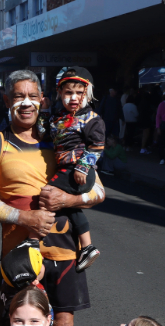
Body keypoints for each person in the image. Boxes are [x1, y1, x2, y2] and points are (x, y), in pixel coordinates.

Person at [0, 69, 105, 326]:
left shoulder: (63, 138)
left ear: (43, 100)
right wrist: (24, 217)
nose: (26, 103)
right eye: (19, 96)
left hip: (64, 251)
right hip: (19, 254)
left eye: (33, 96)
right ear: (7, 100)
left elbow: (98, 191)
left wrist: (67, 201)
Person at [48, 67, 104, 272]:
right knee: (70, 206)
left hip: (77, 171)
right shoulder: (57, 117)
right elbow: (46, 134)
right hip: (65, 168)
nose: (74, 97)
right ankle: (87, 246)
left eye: (79, 93)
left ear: (87, 93)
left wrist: (83, 167)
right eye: (68, 92)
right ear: (60, 94)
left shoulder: (92, 118)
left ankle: (31, 241)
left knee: (46, 194)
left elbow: (97, 146)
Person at [0, 238, 47, 326]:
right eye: (41, 263)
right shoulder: (32, 299)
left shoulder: (8, 285)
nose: (43, 260)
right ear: (34, 280)